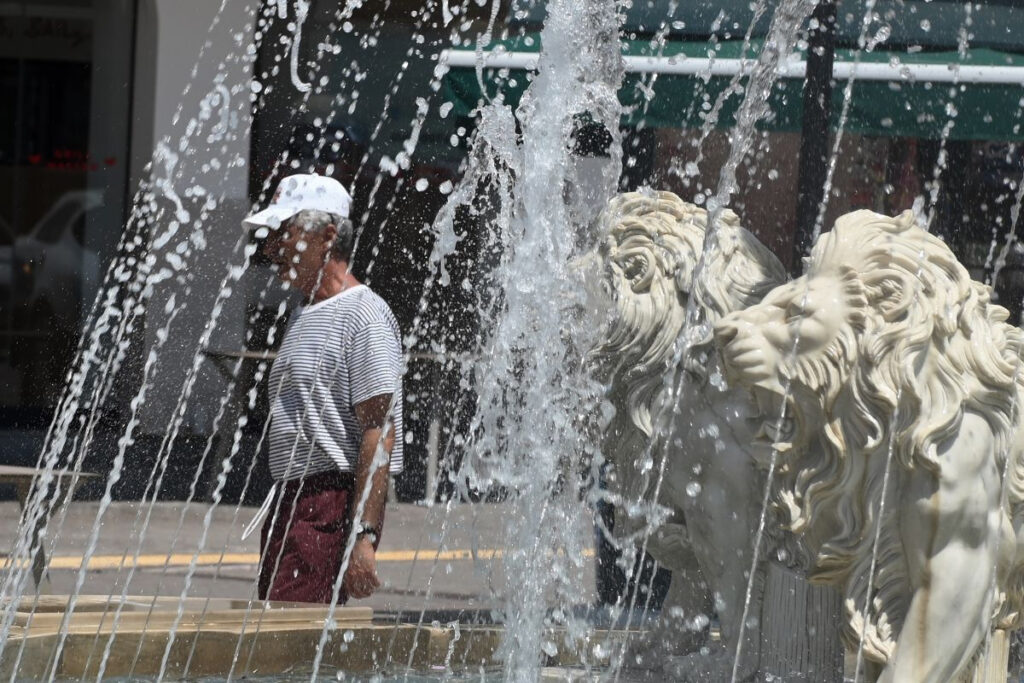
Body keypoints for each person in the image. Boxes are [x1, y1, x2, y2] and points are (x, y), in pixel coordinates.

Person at [242, 173, 404, 604]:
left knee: (289, 646)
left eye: (285, 232)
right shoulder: (304, 311)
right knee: (276, 639)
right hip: (291, 502)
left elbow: (378, 430)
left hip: (326, 505)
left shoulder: (365, 315)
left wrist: (364, 537)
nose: (272, 247)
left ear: (328, 236)